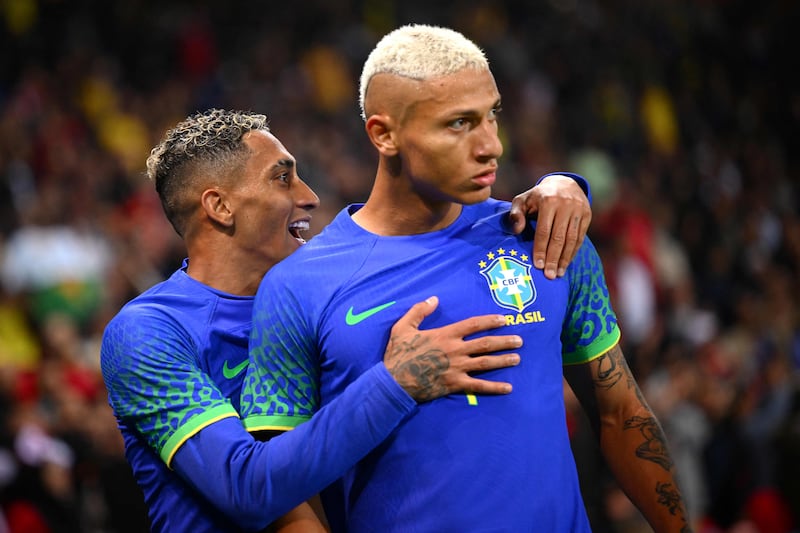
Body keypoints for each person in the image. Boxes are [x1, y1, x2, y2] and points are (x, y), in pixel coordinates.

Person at [240, 24, 691, 532]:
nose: (491, 146)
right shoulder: (298, 286)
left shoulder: (548, 239)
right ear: (383, 134)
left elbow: (620, 414)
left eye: (491, 115)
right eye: (458, 124)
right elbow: (282, 496)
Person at [99, 108, 592, 532]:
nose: (310, 195)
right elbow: (246, 487)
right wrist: (394, 382)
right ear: (220, 206)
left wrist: (558, 187)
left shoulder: (329, 301)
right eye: (282, 177)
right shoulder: (149, 333)